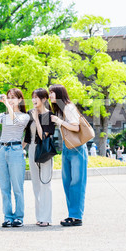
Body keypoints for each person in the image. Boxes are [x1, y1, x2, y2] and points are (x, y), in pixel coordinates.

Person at [49, 84, 88, 227]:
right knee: (67, 183)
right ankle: (72, 214)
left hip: (77, 149)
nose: (50, 95)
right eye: (49, 93)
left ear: (59, 93)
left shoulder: (68, 107)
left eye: (52, 92)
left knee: (76, 182)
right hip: (67, 148)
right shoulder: (60, 109)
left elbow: (76, 127)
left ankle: (76, 217)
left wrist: (59, 121)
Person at [0, 88, 30, 228]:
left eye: (13, 97)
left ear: (20, 99)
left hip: (15, 150)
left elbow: (16, 122)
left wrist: (7, 104)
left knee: (17, 187)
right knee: (4, 186)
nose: (10, 99)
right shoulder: (4, 115)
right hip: (1, 149)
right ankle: (8, 216)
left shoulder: (24, 116)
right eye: (8, 97)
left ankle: (18, 217)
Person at [24, 88, 55, 227]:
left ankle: (46, 217)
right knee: (35, 184)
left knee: (45, 184)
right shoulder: (29, 114)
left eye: (36, 97)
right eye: (32, 97)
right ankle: (39, 216)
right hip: (32, 149)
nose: (33, 100)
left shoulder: (49, 116)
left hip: (44, 150)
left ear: (44, 99)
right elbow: (27, 136)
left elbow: (43, 136)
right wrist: (19, 148)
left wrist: (37, 119)